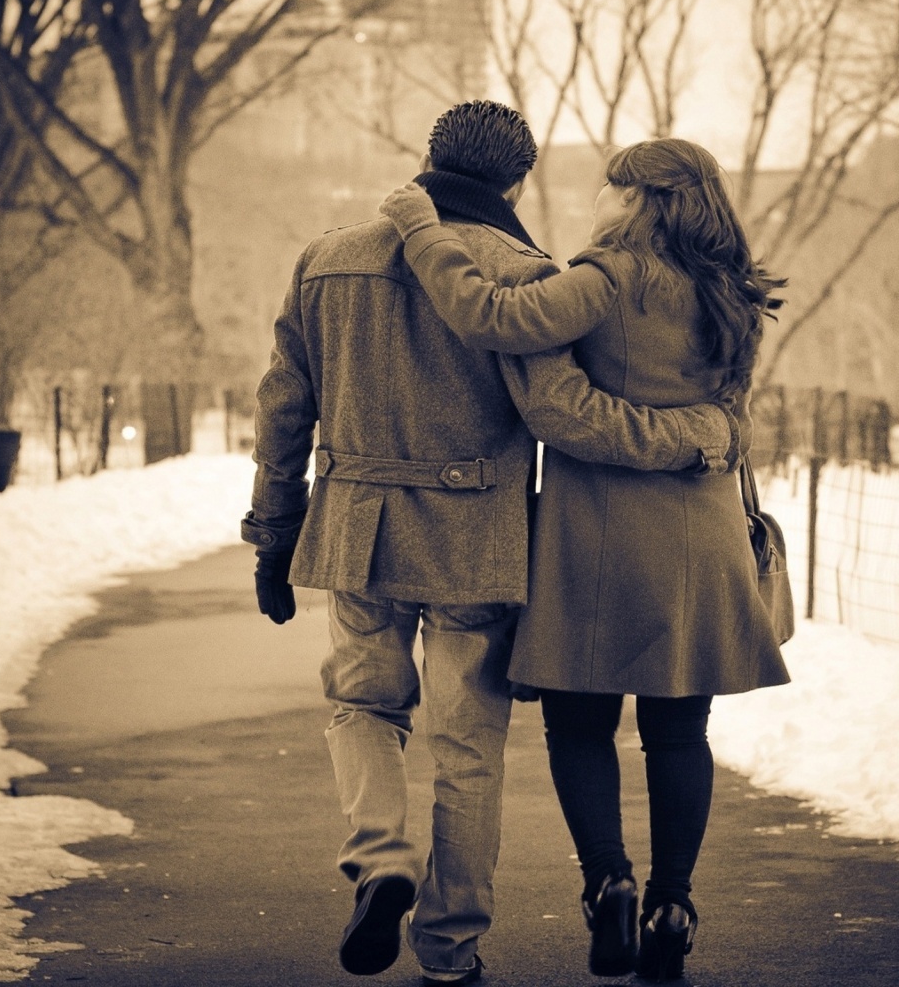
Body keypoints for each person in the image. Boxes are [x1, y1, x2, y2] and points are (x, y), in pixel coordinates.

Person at [243, 103, 746, 986]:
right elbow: (553, 409)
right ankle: (449, 950)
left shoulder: (325, 259)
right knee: (469, 750)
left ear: (429, 158)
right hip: (476, 534)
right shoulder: (526, 272)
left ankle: (382, 858)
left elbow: (284, 403)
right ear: (515, 183)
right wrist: (701, 433)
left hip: (357, 524)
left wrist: (273, 529)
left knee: (362, 707)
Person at [379, 137, 791, 981]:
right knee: (681, 729)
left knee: (580, 725)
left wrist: (422, 229)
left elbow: (490, 317)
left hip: (597, 536)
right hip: (701, 537)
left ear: (638, 198)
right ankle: (673, 902)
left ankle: (609, 884)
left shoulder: (606, 277)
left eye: (611, 184)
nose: (600, 196)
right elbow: (728, 416)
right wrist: (700, 437)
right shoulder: (731, 288)